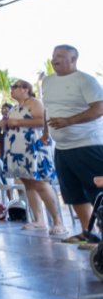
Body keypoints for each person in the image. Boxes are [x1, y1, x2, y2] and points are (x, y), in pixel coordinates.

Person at [41, 45, 103, 245]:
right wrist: (45, 131)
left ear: (74, 59)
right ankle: (88, 234)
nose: (54, 59)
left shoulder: (85, 80)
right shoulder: (47, 81)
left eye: (60, 56)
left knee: (97, 192)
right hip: (62, 148)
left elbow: (99, 108)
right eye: (53, 56)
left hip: (88, 145)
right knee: (73, 193)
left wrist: (69, 121)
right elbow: (48, 109)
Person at [0, 79, 64, 235]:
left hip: (33, 148)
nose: (12, 89)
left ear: (25, 89)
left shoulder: (34, 103)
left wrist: (17, 121)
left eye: (15, 87)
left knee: (40, 183)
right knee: (28, 184)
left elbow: (42, 122)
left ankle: (57, 221)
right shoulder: (15, 107)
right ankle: (38, 219)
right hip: (18, 150)